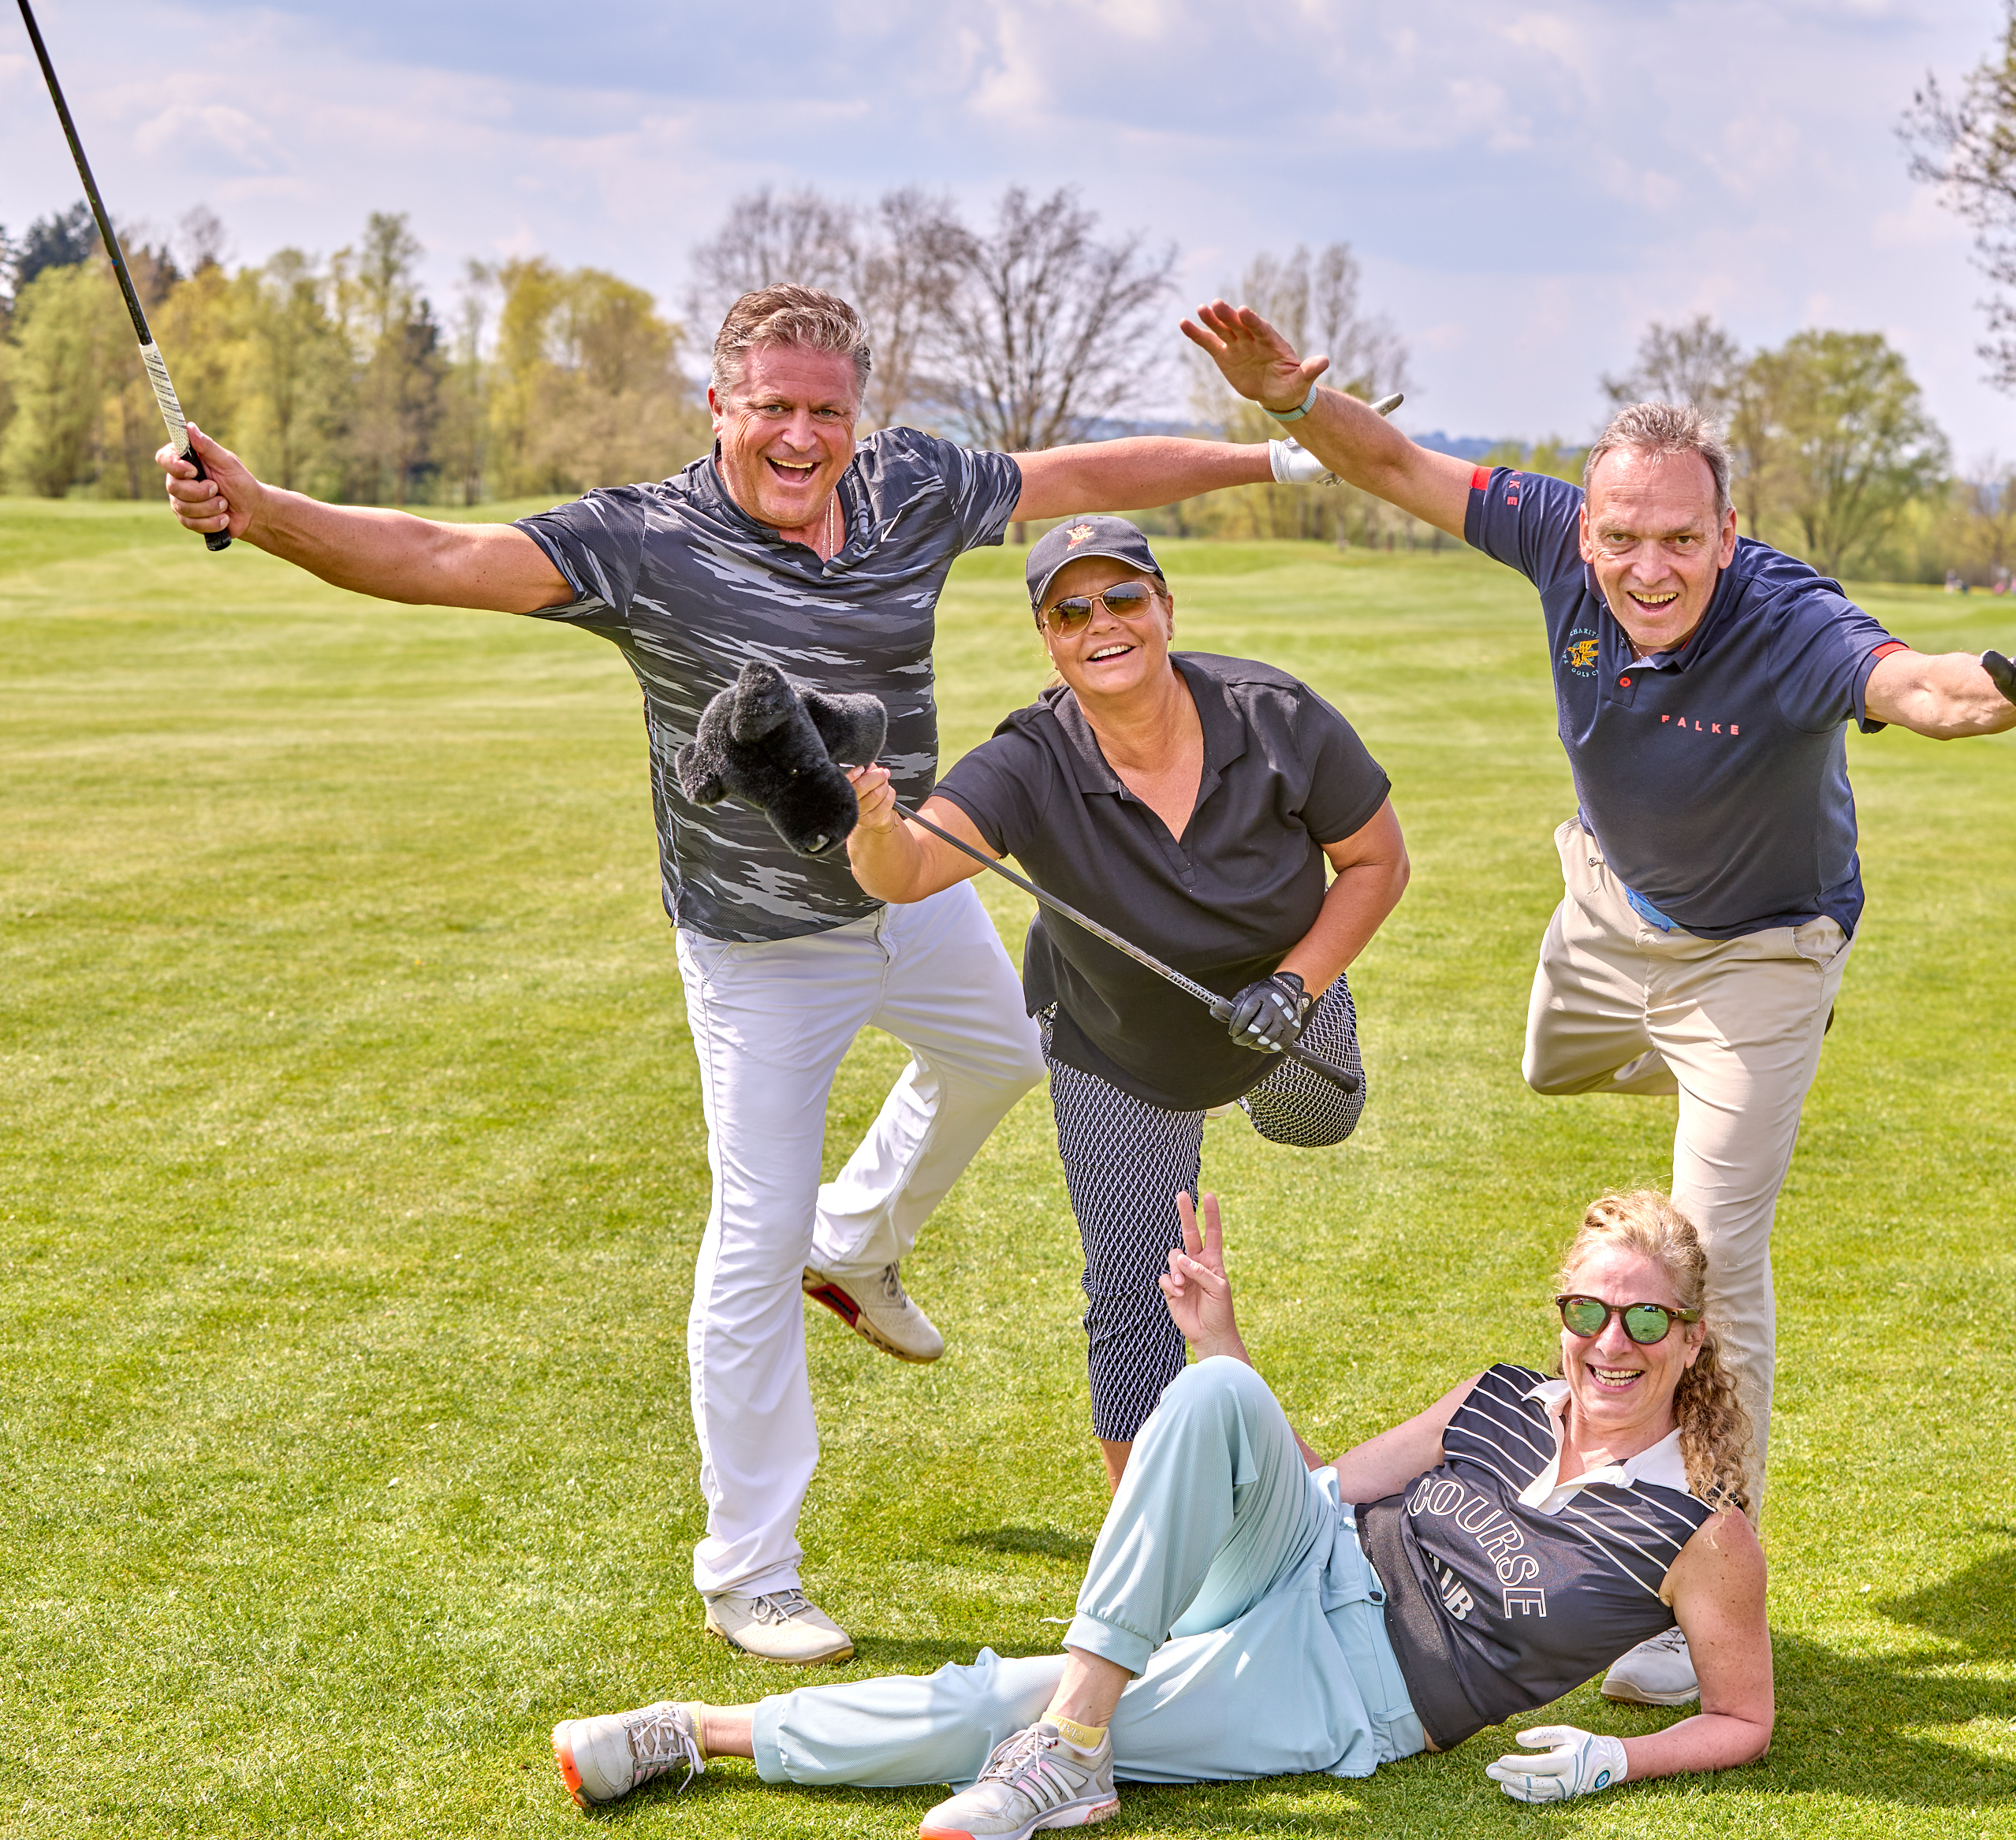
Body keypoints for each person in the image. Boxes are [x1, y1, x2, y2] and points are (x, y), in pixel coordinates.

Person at [157, 285, 1328, 1664]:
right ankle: (751, 1567)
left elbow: (1078, 475)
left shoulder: (907, 487)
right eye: (769, 404)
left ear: (858, 415)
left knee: (1015, 1047)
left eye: (825, 407)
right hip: (759, 946)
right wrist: (262, 507)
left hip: (915, 882)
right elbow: (436, 552)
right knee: (753, 1238)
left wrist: (1279, 449)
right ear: (719, 406)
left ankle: (865, 1234)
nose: (799, 432)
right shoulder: (646, 542)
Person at [1183, 301, 2016, 1704]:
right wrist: (1288, 403)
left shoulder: (1791, 619)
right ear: (1585, 530)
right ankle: (1736, 1082)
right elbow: (1393, 466)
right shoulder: (1556, 537)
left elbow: (1917, 690)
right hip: (1610, 917)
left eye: (1680, 539)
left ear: (1728, 533)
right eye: (1623, 537)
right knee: (1545, 1068)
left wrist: (2008, 689)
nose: (1648, 563)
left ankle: (1679, 1584)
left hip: (1760, 951)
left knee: (1710, 1259)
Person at [548, 1187, 1772, 1831]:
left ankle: (695, 1729)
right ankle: (1076, 1748)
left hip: (1360, 1692)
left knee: (998, 1702)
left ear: (1691, 1334)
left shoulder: (1702, 1528)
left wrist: (1616, 1756)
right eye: (1586, 1310)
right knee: (1217, 1391)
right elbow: (1318, 1484)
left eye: (1646, 1318)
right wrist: (1224, 1345)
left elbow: (1743, 1716)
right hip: (1307, 1563)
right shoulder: (1496, 1396)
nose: (1610, 1342)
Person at [840, 513, 1410, 1484]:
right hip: (1117, 1048)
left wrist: (1296, 985)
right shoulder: (1028, 759)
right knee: (1135, 1287)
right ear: (1048, 639)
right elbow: (907, 869)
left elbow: (1376, 861)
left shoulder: (1275, 715)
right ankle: (1142, 1554)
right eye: (1069, 610)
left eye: (1120, 597)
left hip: (1278, 1009)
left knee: (1319, 1117)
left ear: (1164, 608)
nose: (1099, 621)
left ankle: (1286, 1040)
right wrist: (872, 821)